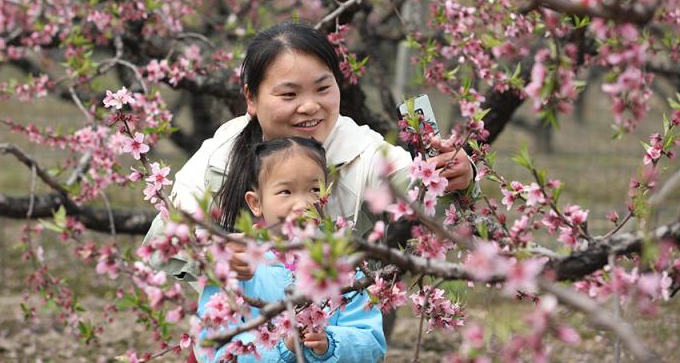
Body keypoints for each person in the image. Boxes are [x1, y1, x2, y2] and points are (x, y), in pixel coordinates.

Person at [143, 21, 476, 282]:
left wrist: (457, 178)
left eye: (322, 88)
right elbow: (162, 245)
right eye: (289, 95)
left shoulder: (361, 151)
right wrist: (213, 256)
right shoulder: (221, 155)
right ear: (251, 98)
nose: (310, 106)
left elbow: (421, 195)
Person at [196, 137, 386, 363]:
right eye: (285, 191)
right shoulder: (236, 263)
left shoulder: (342, 263)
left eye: (314, 189)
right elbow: (216, 352)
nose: (302, 204)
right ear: (256, 202)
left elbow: (372, 343)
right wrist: (282, 348)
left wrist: (330, 343)